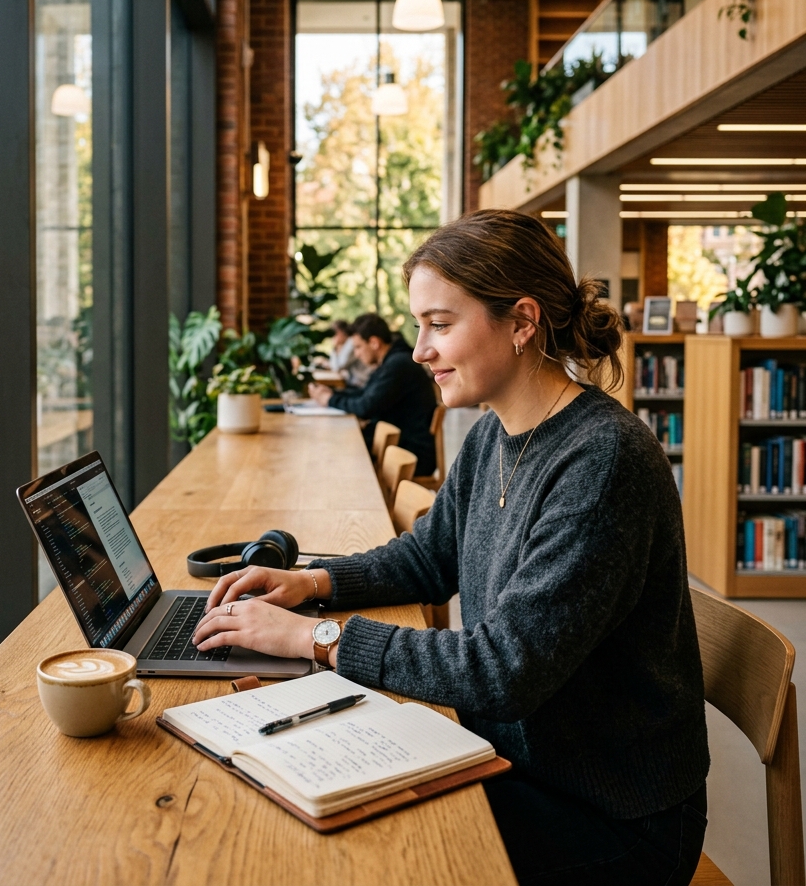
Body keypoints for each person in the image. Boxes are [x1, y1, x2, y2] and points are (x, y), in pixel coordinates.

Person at [194, 210, 709, 886]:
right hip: (509, 759)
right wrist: (313, 584)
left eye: (439, 324)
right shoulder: (493, 434)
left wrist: (313, 639)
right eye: (418, 326)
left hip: (608, 814)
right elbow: (428, 558)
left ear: (522, 321)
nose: (418, 350)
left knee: (350, 857)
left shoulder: (603, 462)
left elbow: (503, 670)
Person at [308, 312, 436, 476]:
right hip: (400, 446)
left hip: (411, 455)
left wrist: (330, 399)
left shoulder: (398, 365)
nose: (357, 354)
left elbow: (365, 407)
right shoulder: (393, 361)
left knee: (337, 449)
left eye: (358, 347)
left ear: (374, 342)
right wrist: (332, 394)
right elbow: (365, 394)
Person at [326, 319, 373, 390]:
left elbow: (338, 367)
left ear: (341, 332)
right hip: (356, 382)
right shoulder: (347, 344)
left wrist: (335, 348)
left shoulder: (351, 342)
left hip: (361, 383)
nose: (333, 336)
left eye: (334, 333)